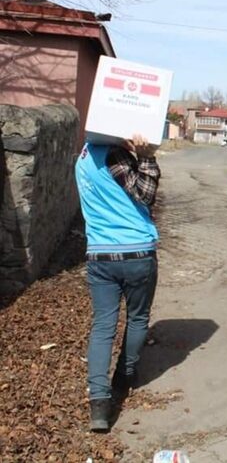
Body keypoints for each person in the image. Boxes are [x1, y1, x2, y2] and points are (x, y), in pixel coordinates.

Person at [75, 134, 161, 432]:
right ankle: (124, 377)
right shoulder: (114, 156)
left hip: (100, 254)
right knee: (137, 317)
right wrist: (147, 157)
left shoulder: (83, 156)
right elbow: (145, 194)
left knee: (103, 325)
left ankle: (99, 403)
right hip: (136, 252)